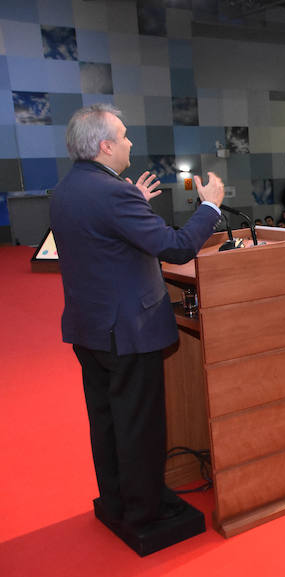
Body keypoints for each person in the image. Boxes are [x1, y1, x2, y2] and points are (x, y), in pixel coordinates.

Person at [50, 103, 225, 534]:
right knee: (139, 427)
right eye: (125, 135)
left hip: (89, 329)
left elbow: (104, 241)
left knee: (107, 421)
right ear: (106, 145)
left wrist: (136, 205)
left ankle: (118, 498)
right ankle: (146, 512)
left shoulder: (69, 188)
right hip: (128, 331)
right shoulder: (113, 194)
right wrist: (210, 208)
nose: (130, 142)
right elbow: (179, 247)